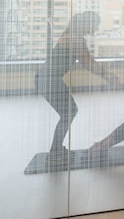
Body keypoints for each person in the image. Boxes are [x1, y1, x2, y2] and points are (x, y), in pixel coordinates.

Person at [36, 11, 118, 159]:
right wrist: (108, 76)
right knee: (69, 112)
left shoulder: (73, 36)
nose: (96, 29)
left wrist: (107, 75)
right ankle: (55, 151)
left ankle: (56, 149)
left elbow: (89, 61)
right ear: (87, 23)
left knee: (69, 112)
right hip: (48, 80)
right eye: (95, 25)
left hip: (49, 80)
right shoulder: (74, 39)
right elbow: (88, 63)